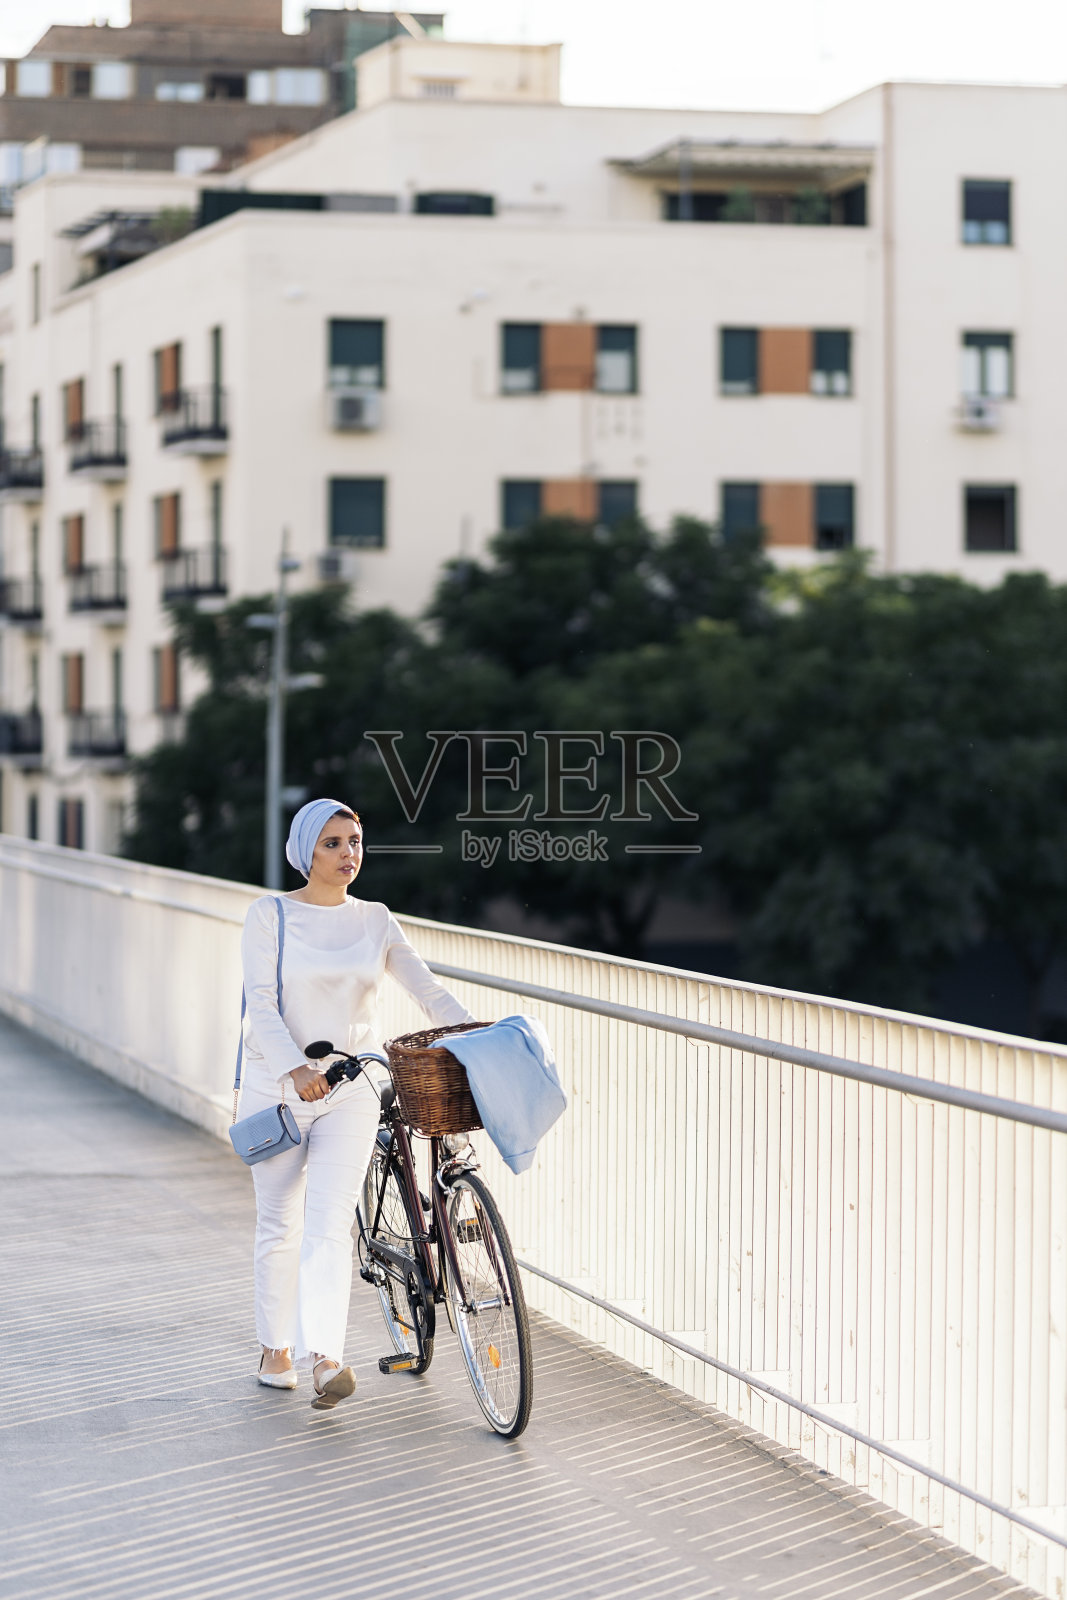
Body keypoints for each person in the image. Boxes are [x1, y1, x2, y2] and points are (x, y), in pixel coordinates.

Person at [237, 796, 473, 1409]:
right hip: (280, 1089)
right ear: (305, 853)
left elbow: (428, 991)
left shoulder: (375, 919)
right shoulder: (270, 916)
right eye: (333, 844)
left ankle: (326, 1358)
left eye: (356, 842)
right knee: (280, 1222)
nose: (349, 855)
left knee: (329, 1225)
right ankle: (274, 1347)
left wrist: (477, 1034)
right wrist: (295, 1067)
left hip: (352, 1088)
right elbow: (260, 1004)